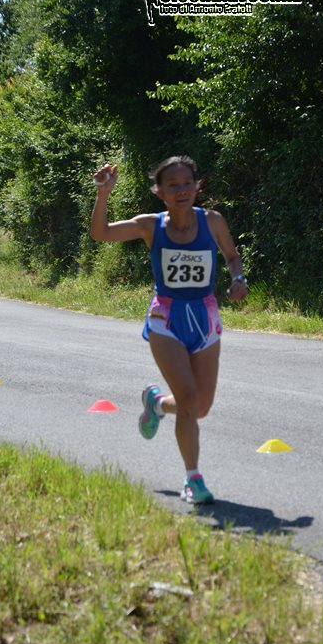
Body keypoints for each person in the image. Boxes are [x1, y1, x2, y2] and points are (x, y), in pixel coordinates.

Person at [90, 156, 247, 504]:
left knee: (200, 407)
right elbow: (101, 233)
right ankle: (194, 479)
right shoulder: (150, 225)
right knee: (189, 400)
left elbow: (232, 256)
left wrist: (238, 278)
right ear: (159, 191)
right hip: (166, 319)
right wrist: (103, 194)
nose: (182, 190)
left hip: (204, 316)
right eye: (173, 185)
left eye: (187, 182)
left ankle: (158, 404)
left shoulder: (213, 221)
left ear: (197, 186)